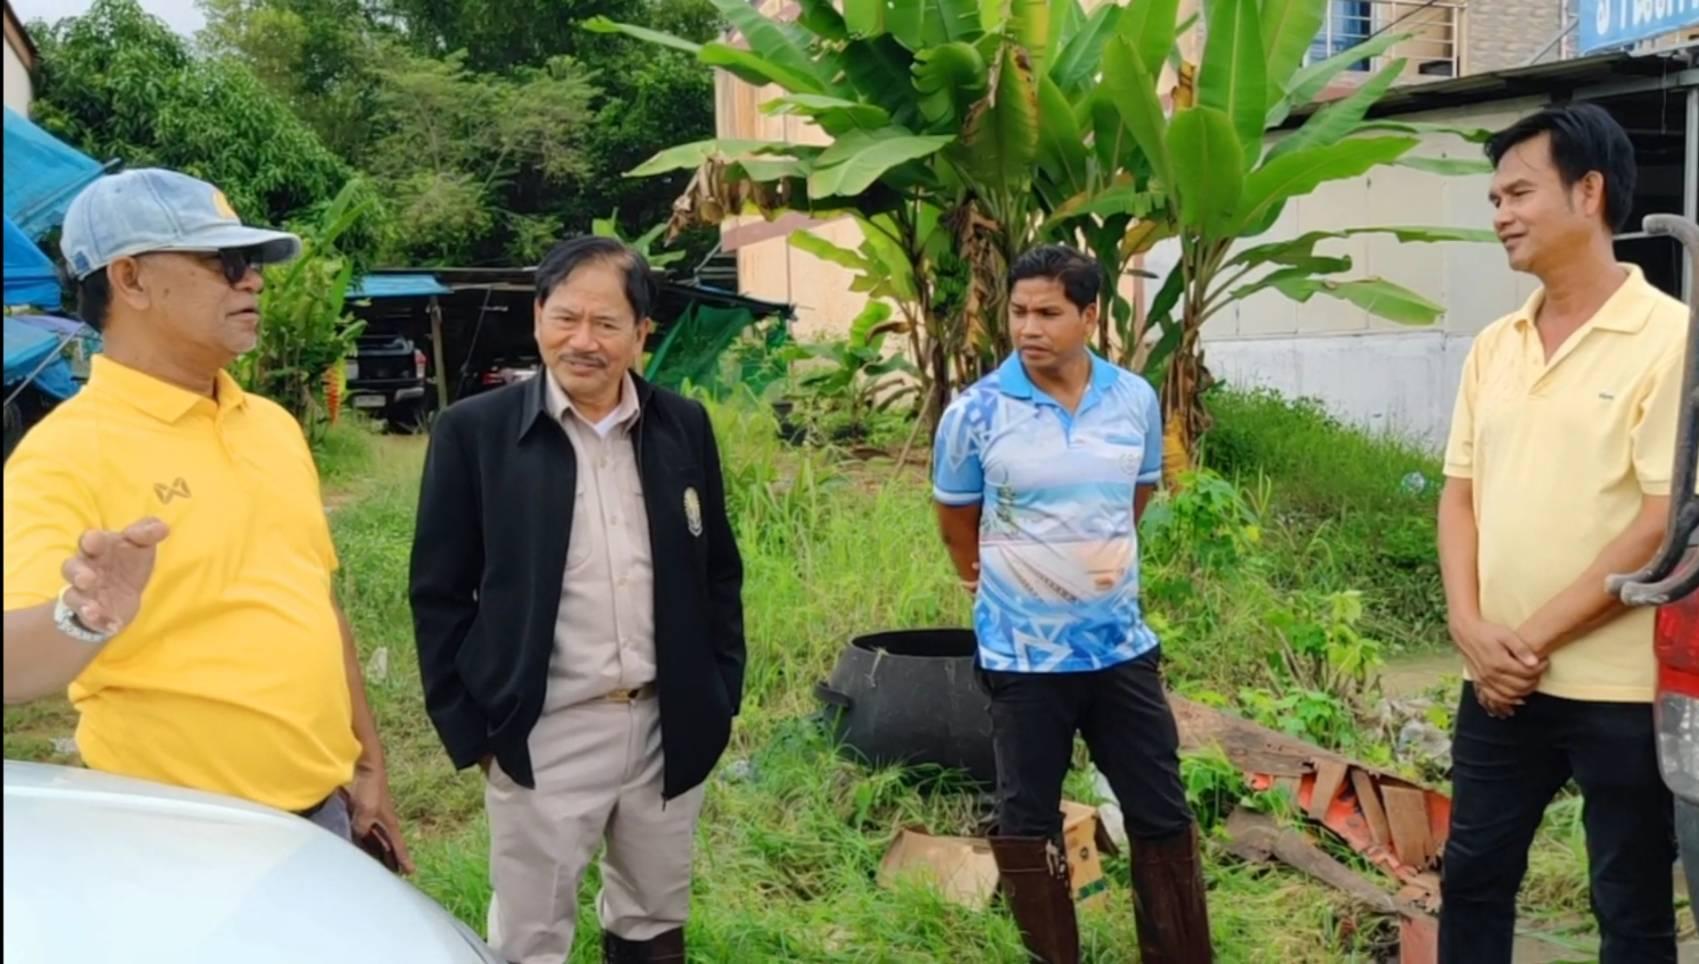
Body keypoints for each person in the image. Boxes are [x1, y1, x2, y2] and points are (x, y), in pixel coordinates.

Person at [1, 168, 411, 868]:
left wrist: (368, 765)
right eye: (224, 262)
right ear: (130, 279)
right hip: (175, 842)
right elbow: (12, 667)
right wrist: (83, 616)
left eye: (252, 262)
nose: (253, 281)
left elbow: (316, 604)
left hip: (324, 812)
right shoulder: (64, 454)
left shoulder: (272, 426)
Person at [409, 235, 745, 964]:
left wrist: (720, 693)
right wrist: (476, 733)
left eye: (606, 323)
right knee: (530, 935)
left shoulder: (681, 426)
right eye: (565, 318)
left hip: (666, 722)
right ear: (538, 318)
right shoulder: (476, 433)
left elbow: (718, 570)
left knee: (654, 915)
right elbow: (438, 593)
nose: (583, 341)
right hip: (543, 727)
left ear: (641, 333)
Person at [1437, 103, 1686, 962]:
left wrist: (1523, 642)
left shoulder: (1671, 339)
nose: (1499, 215)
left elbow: (1662, 522)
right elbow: (1458, 497)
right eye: (1493, 199)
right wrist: (1468, 630)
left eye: (1518, 193)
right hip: (1496, 682)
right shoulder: (1494, 344)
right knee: (1472, 879)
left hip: (1618, 688)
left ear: (1588, 193)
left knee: (1629, 902)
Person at [932, 244, 1212, 963]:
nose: (1028, 327)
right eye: (1018, 311)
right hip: (1022, 659)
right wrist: (987, 583)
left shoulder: (1133, 400)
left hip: (1119, 648)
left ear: (1089, 317)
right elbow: (956, 518)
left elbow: (1134, 497)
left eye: (1048, 313)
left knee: (1160, 810)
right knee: (1027, 821)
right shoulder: (975, 412)